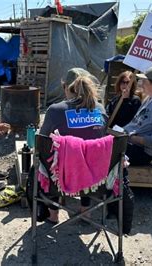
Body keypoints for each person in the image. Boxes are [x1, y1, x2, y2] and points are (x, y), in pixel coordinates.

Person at [39, 68, 108, 224]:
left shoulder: (56, 110)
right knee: (89, 153)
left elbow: (42, 141)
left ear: (65, 87)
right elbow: (101, 139)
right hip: (96, 179)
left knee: (52, 157)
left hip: (62, 176)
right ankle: (86, 212)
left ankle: (53, 213)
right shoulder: (100, 109)